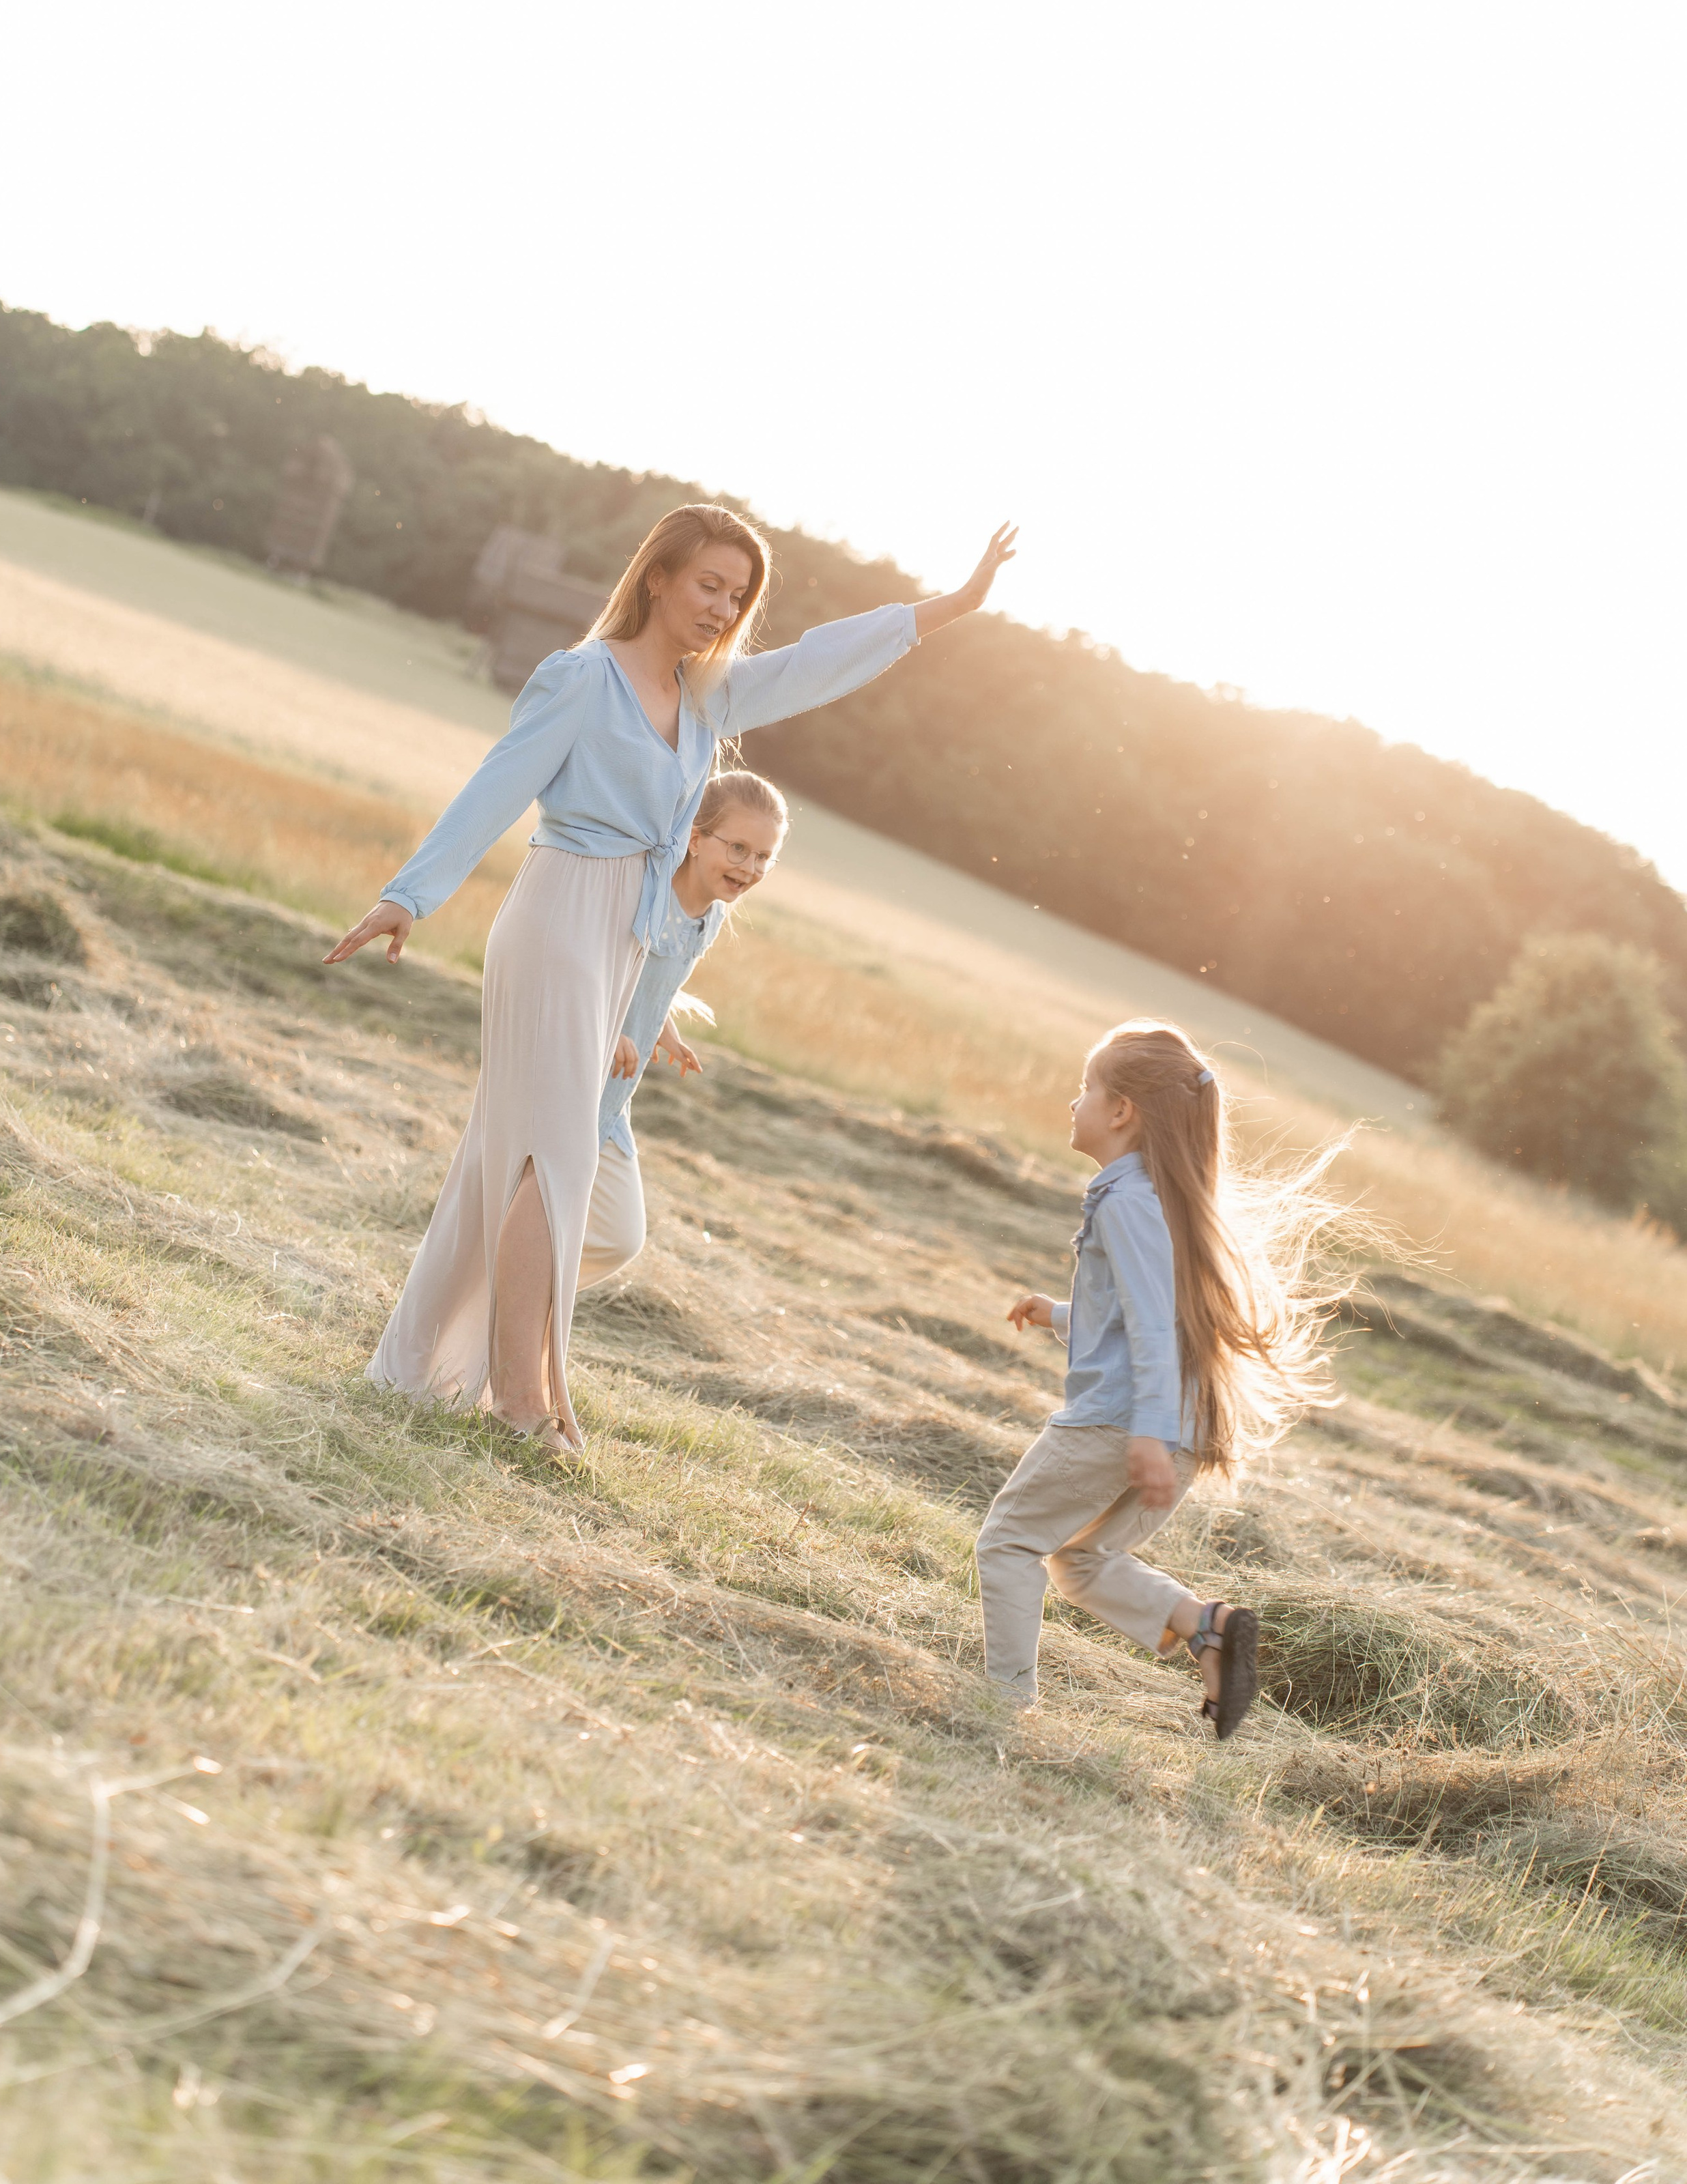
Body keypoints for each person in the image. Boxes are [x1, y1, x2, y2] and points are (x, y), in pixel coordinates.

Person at [328, 502, 1016, 1455]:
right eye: (708, 584)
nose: (723, 607)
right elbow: (499, 783)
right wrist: (411, 895)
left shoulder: (708, 699)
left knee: (512, 1160)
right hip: (560, 915)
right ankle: (522, 1399)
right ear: (657, 577)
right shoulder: (580, 678)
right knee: (550, 1156)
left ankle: (426, 1368)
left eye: (738, 596)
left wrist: (949, 607)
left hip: (623, 936)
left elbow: (815, 662)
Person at [977, 1020, 1344, 1738]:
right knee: (1081, 1560)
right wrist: (1058, 1313)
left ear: (1121, 1113)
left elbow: (1148, 1325)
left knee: (1009, 1541)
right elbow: (1141, 1311)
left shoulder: (1125, 1202)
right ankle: (1207, 1630)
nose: (1074, 1102)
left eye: (1087, 1089)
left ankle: (1004, 1705)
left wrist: (1144, 1431)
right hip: (1174, 1429)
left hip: (1127, 1423)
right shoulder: (1156, 1199)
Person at [577, 768, 787, 1295]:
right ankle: (503, 1308)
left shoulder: (709, 917)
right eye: (738, 848)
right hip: (573, 1073)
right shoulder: (643, 894)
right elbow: (583, 965)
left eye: (763, 857)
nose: (750, 867)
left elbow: (654, 982)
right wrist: (611, 1030)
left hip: (612, 1096)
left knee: (616, 1237)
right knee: (545, 1216)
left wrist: (662, 1031)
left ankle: (520, 1301)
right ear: (695, 838)